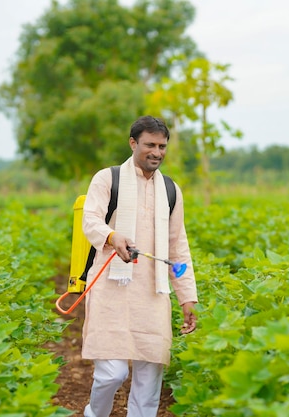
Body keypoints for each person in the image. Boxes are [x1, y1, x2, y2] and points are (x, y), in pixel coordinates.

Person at [80, 115, 198, 417]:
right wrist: (112, 235)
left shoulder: (171, 190)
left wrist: (187, 297)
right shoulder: (108, 179)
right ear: (133, 143)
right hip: (111, 288)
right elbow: (90, 220)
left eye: (162, 146)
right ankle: (95, 414)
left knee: (148, 384)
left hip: (153, 294)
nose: (156, 152)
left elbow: (177, 247)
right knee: (112, 373)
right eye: (150, 145)